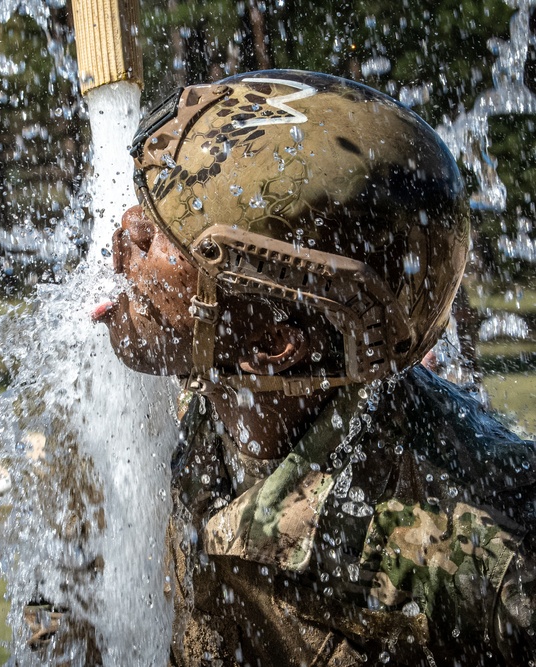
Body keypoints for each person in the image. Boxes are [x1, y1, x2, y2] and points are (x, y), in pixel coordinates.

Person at [92, 70, 536, 665]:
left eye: (160, 237)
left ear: (274, 343)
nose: (123, 234)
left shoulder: (481, 558)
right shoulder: (194, 401)